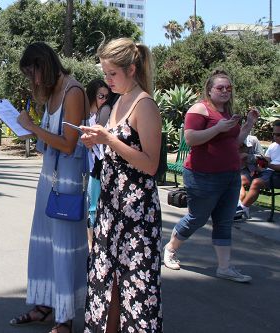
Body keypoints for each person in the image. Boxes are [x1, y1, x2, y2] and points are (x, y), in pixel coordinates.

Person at [80, 38, 163, 333]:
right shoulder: (119, 102)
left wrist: (109, 140)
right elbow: (115, 148)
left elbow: (150, 164)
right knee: (108, 280)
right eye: (105, 73)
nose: (107, 80)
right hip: (112, 206)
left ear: (131, 69)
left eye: (112, 74)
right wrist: (97, 140)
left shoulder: (145, 104)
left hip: (136, 212)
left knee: (135, 284)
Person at [9, 42, 88, 333]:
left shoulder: (73, 91)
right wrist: (28, 129)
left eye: (34, 72)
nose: (34, 80)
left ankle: (64, 319)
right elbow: (48, 144)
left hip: (67, 185)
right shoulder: (54, 92)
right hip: (49, 180)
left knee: (64, 248)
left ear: (45, 65)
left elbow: (69, 144)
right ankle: (45, 305)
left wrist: (32, 127)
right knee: (43, 245)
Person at [163, 69, 258, 283]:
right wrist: (218, 128)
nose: (225, 91)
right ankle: (170, 248)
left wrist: (248, 125)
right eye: (220, 88)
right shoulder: (199, 109)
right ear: (209, 89)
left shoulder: (227, 112)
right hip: (202, 175)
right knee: (198, 217)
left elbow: (233, 143)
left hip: (230, 174)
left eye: (228, 88)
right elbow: (191, 138)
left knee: (224, 221)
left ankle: (224, 267)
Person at [84, 79, 118, 249]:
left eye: (107, 96)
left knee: (98, 207)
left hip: (101, 168)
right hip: (88, 169)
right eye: (100, 96)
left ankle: (98, 243)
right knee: (92, 207)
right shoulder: (85, 117)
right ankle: (91, 244)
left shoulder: (107, 116)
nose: (104, 99)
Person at [238, 120, 280, 218]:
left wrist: (266, 165)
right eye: (274, 134)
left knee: (257, 182)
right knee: (238, 179)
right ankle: (238, 205)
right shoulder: (273, 146)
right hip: (266, 173)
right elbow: (265, 160)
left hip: (277, 175)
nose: (275, 137)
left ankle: (242, 208)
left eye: (278, 135)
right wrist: (257, 169)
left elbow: (271, 165)